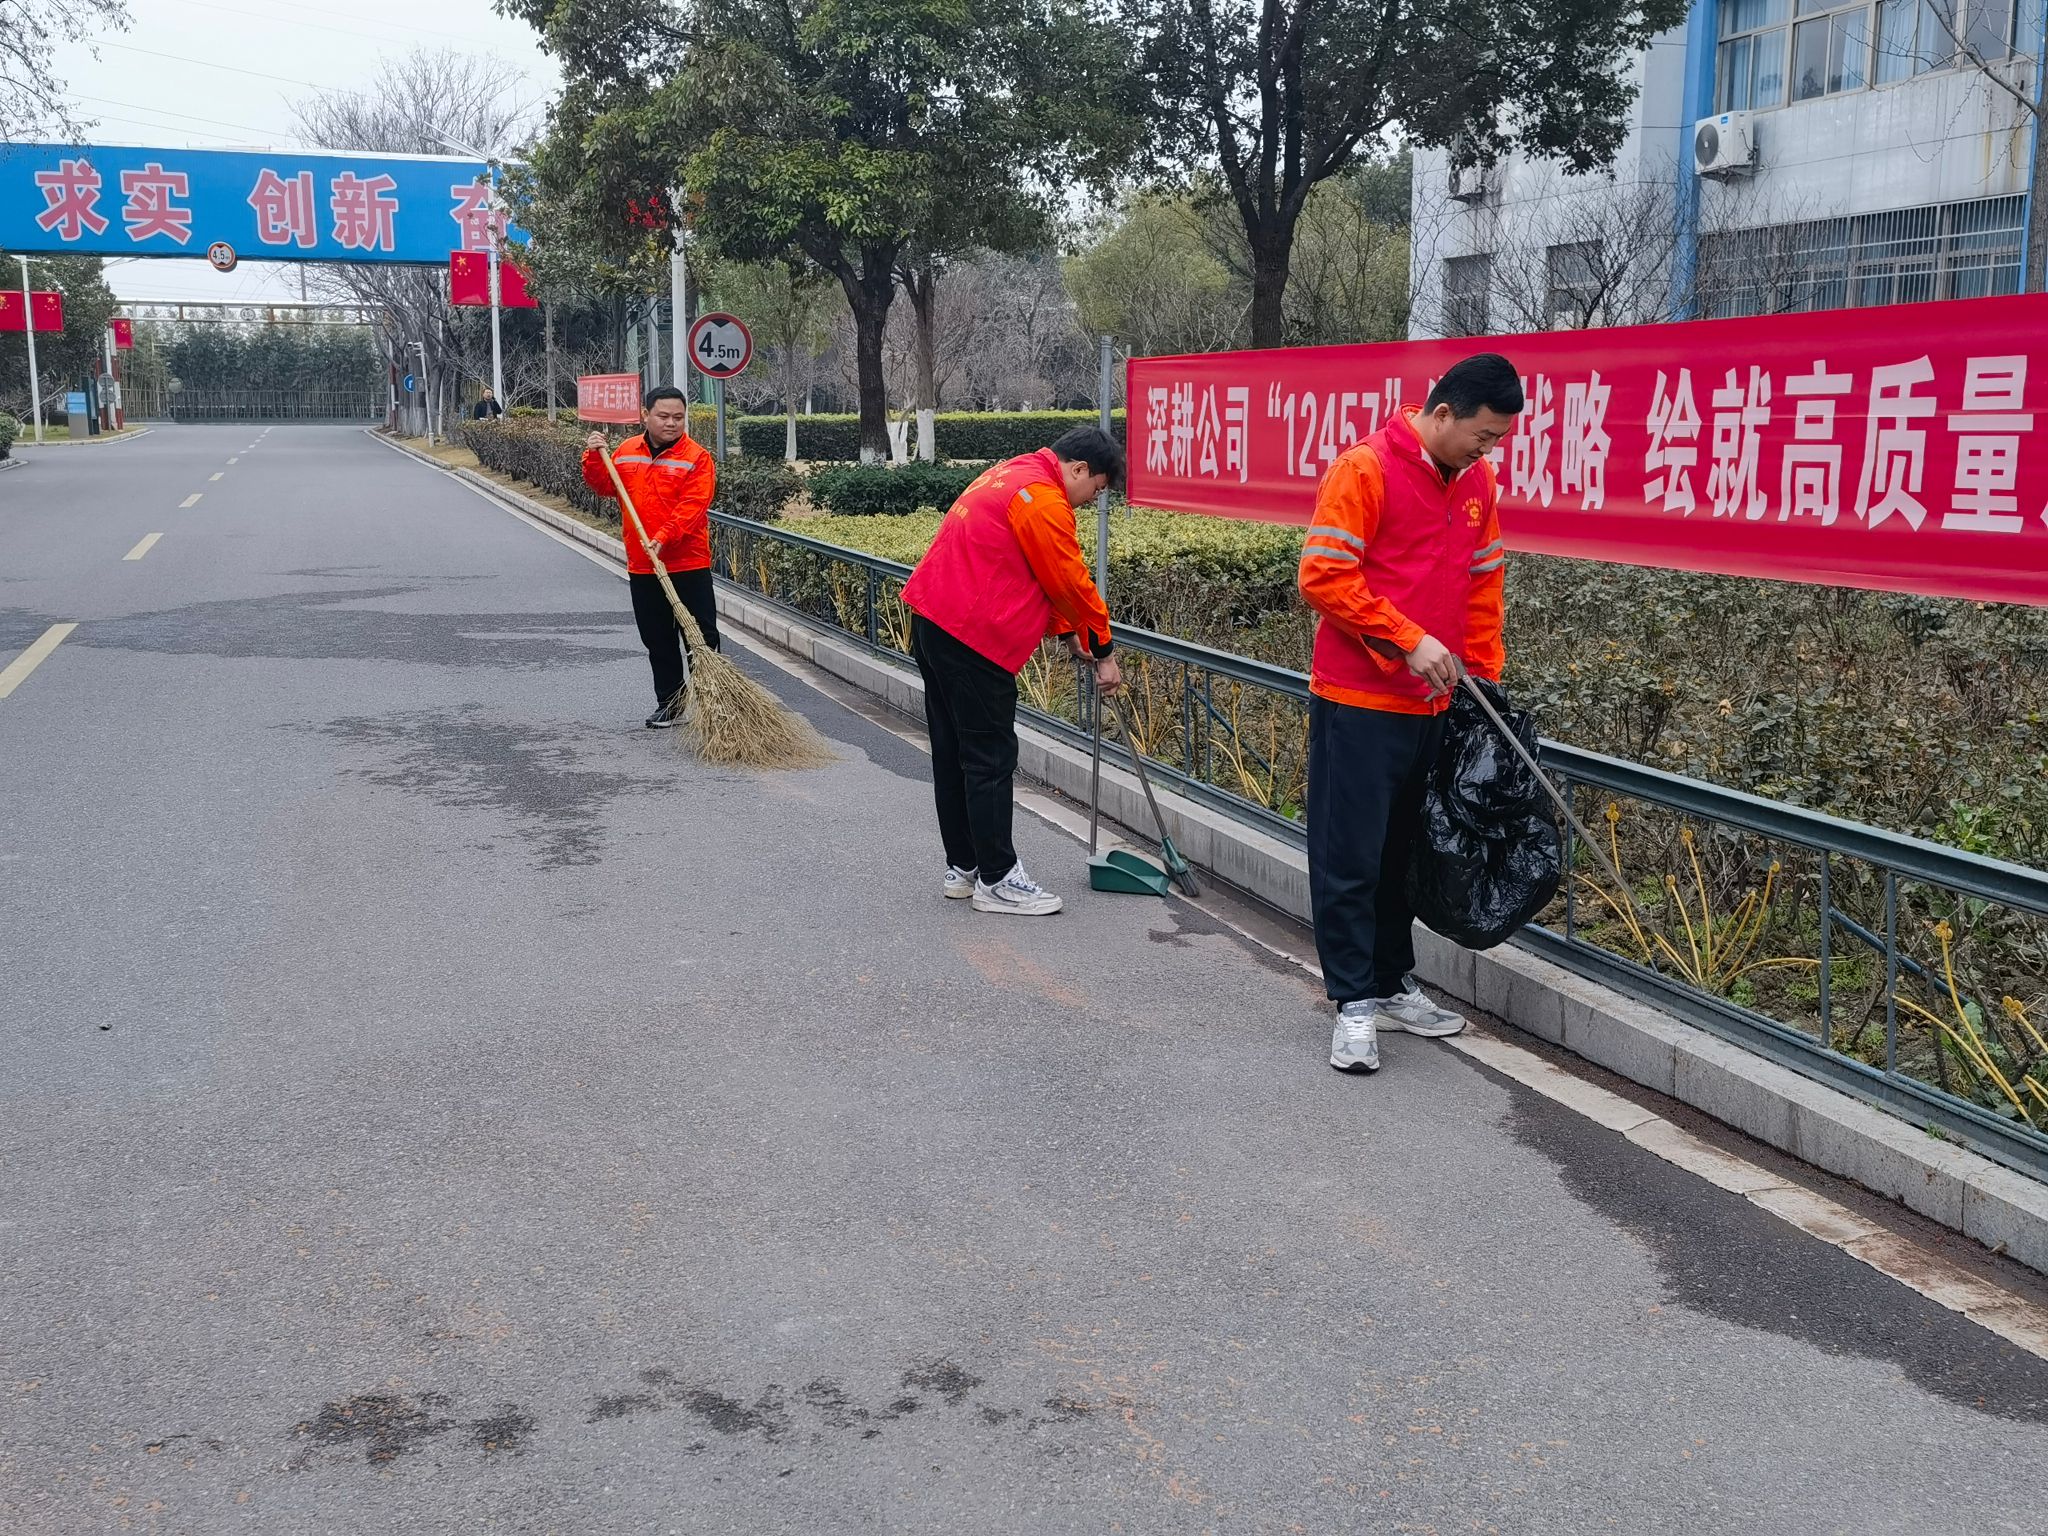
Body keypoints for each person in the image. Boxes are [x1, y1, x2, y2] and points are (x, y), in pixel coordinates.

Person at [1299, 353, 1522, 1074]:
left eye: (1497, 440)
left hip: (1437, 704)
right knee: (1351, 856)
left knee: (1404, 851)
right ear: (1443, 412)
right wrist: (1407, 638)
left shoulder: (1476, 482)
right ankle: (1353, 1001)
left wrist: (1482, 682)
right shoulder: (1364, 469)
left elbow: (1483, 585)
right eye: (1483, 435)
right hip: (1359, 701)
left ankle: (1393, 982)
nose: (1488, 450)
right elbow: (1323, 575)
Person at [900, 427, 1125, 916]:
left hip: (934, 622)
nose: (1093, 500)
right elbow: (1069, 580)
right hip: (973, 636)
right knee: (990, 758)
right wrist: (1103, 649)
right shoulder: (1042, 498)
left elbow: (1034, 568)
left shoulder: (1014, 472)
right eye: (1098, 488)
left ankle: (963, 867)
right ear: (1079, 469)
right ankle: (999, 878)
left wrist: (1068, 633)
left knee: (953, 753)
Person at [581, 386, 720, 728]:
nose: (672, 423)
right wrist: (594, 457)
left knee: (701, 638)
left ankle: (713, 706)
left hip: (687, 562)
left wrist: (663, 537)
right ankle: (670, 703)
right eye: (664, 416)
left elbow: (693, 507)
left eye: (678, 417)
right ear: (646, 415)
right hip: (643, 564)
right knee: (657, 637)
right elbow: (605, 486)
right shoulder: (627, 451)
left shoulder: (697, 457)